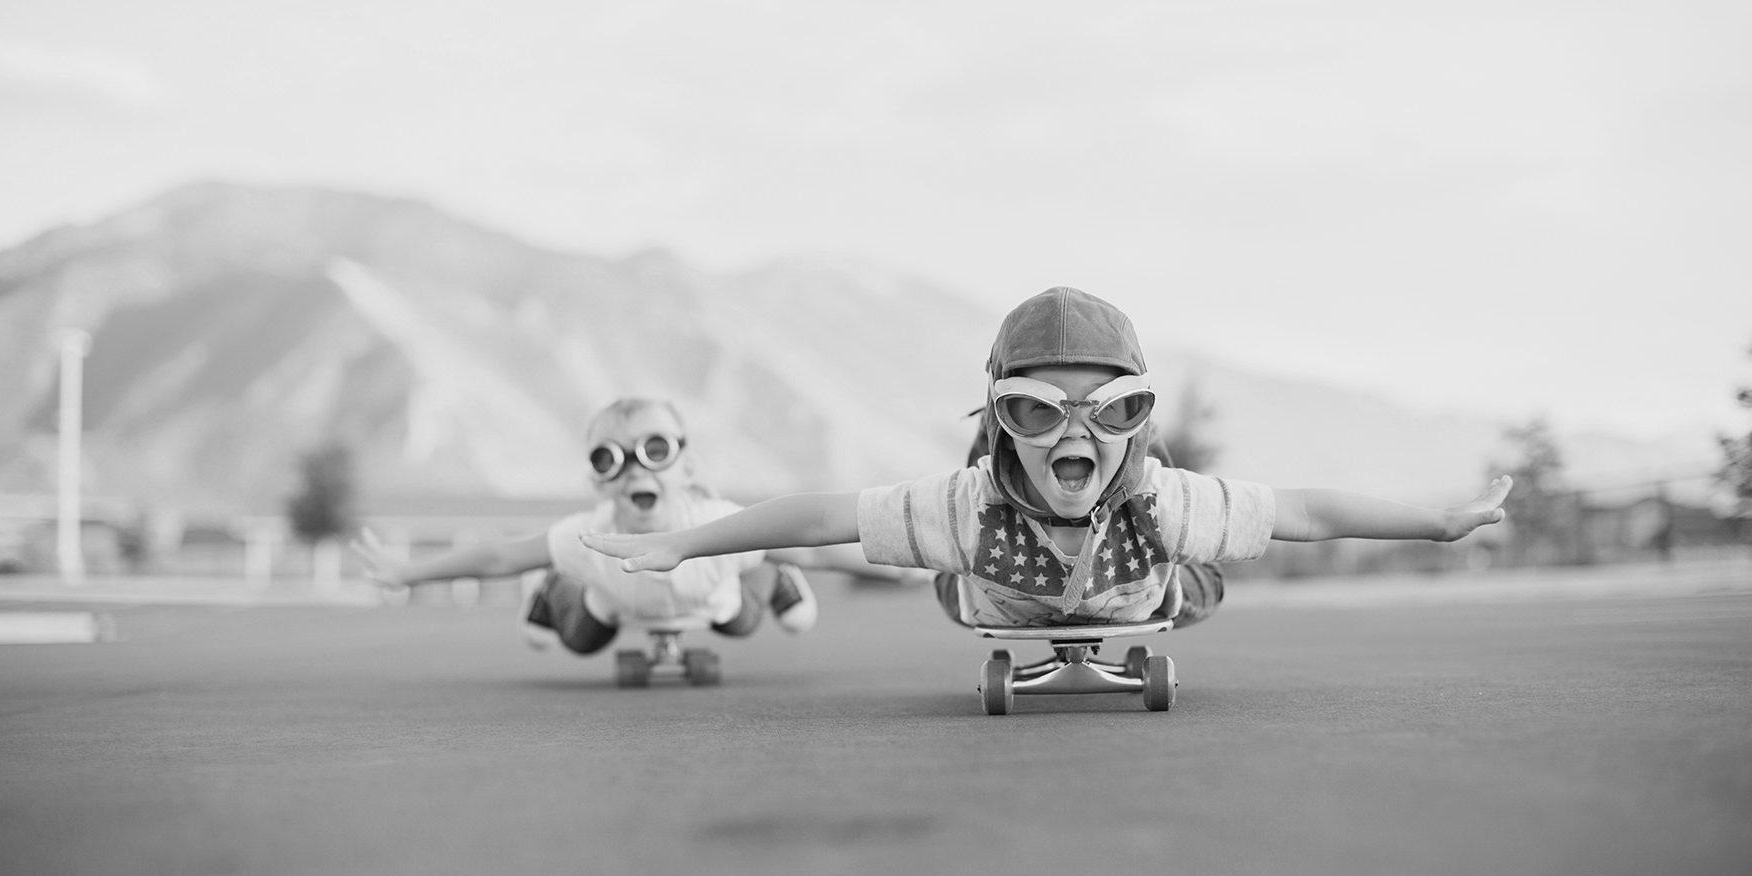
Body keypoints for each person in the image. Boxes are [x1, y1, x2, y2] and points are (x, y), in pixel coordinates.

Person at [578, 287, 1512, 632]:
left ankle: (1171, 569)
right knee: (947, 565)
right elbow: (819, 515)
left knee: (1191, 565)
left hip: (1142, 586)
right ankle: (992, 502)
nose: (1075, 434)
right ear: (1000, 414)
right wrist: (687, 542)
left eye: (1111, 412)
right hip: (991, 585)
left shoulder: (1163, 501)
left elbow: (1304, 511)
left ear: (1138, 415)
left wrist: (1437, 522)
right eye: (1035, 409)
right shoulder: (962, 507)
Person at [351, 396, 826, 656]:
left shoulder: (715, 522)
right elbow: (501, 556)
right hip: (614, 605)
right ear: (597, 480)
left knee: (741, 621)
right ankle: (552, 591)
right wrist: (408, 573)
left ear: (688, 468)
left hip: (710, 597)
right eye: (611, 459)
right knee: (578, 641)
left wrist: (895, 557)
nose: (636, 470)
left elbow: (808, 541)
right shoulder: (589, 536)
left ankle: (774, 579)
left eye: (655, 450)